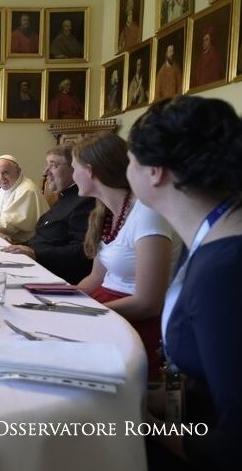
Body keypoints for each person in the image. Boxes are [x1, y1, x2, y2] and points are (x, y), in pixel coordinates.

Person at [127, 96, 242, 470]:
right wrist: (134, 395)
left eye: (130, 160)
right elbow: (198, 376)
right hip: (189, 424)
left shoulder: (230, 270)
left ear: (155, 170)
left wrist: (130, 422)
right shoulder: (215, 237)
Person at [73, 132, 176, 381]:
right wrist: (63, 302)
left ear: (90, 171)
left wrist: (90, 313)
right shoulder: (104, 214)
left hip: (133, 318)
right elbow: (95, 277)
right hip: (106, 305)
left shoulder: (147, 215)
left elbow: (149, 303)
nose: (72, 175)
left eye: (74, 168)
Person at [1, 145, 95, 284]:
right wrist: (14, 243)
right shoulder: (65, 197)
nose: (45, 172)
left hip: (54, 277)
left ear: (73, 168)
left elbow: (83, 252)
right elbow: (44, 238)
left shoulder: (84, 202)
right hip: (37, 267)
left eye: (53, 165)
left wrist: (36, 254)